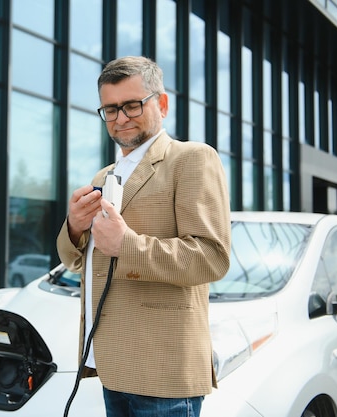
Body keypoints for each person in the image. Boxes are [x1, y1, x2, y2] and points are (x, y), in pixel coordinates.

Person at [56, 56, 231, 417]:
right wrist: (73, 227)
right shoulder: (102, 176)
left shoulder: (192, 159)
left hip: (162, 368)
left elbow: (212, 256)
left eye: (132, 105)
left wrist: (127, 245)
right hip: (111, 362)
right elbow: (74, 260)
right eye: (110, 109)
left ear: (161, 104)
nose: (120, 118)